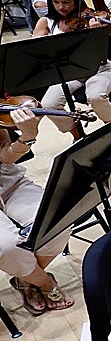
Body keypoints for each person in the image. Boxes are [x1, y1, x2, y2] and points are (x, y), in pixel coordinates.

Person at [0, 107, 73, 315]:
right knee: (6, 247)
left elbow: (5, 153)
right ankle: (45, 283)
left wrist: (27, 136)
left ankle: (25, 280)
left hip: (6, 181)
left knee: (58, 217)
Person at [32, 0, 111, 131]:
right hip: (69, 73)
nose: (61, 7)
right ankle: (76, 133)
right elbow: (37, 51)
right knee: (49, 105)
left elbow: (105, 51)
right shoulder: (46, 22)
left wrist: (97, 34)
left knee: (96, 97)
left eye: (66, 2)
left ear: (75, 0)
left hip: (98, 69)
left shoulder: (89, 17)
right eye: (56, 2)